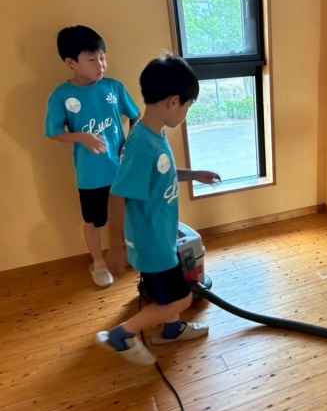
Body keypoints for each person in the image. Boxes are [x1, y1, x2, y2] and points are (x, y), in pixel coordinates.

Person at [96, 54, 221, 365]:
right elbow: (117, 195)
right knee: (181, 298)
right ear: (173, 101)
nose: (186, 114)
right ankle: (121, 335)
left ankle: (172, 329)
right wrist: (116, 246)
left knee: (168, 293)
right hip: (151, 241)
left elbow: (162, 173)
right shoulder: (141, 145)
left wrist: (195, 174)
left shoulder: (155, 134)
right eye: (188, 107)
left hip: (160, 235)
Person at [45, 25, 141, 288]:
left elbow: (136, 116)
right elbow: (53, 132)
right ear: (71, 63)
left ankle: (125, 252)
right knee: (93, 220)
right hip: (91, 176)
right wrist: (81, 137)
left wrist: (129, 143)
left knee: (126, 214)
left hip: (121, 170)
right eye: (92, 60)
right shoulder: (62, 95)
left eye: (103, 58)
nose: (101, 65)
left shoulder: (114, 87)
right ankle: (98, 262)